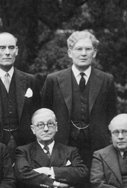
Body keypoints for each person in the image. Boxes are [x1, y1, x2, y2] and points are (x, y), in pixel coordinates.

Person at [41, 31, 117, 168]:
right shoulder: (53, 80)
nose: (83, 53)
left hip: (97, 146)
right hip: (63, 144)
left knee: (94, 185)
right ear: (70, 52)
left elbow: (111, 115)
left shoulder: (106, 80)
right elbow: (44, 113)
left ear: (94, 53)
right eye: (79, 49)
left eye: (88, 49)